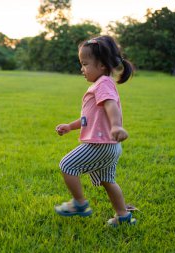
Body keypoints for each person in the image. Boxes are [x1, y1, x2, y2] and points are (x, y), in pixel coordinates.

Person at [54, 35, 136, 226]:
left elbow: (111, 106)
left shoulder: (103, 84)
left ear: (101, 65)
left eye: (85, 64)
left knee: (67, 165)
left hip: (100, 144)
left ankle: (79, 204)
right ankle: (123, 217)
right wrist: (70, 127)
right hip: (110, 146)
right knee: (108, 181)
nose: (82, 69)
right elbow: (88, 119)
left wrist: (116, 125)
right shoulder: (100, 84)